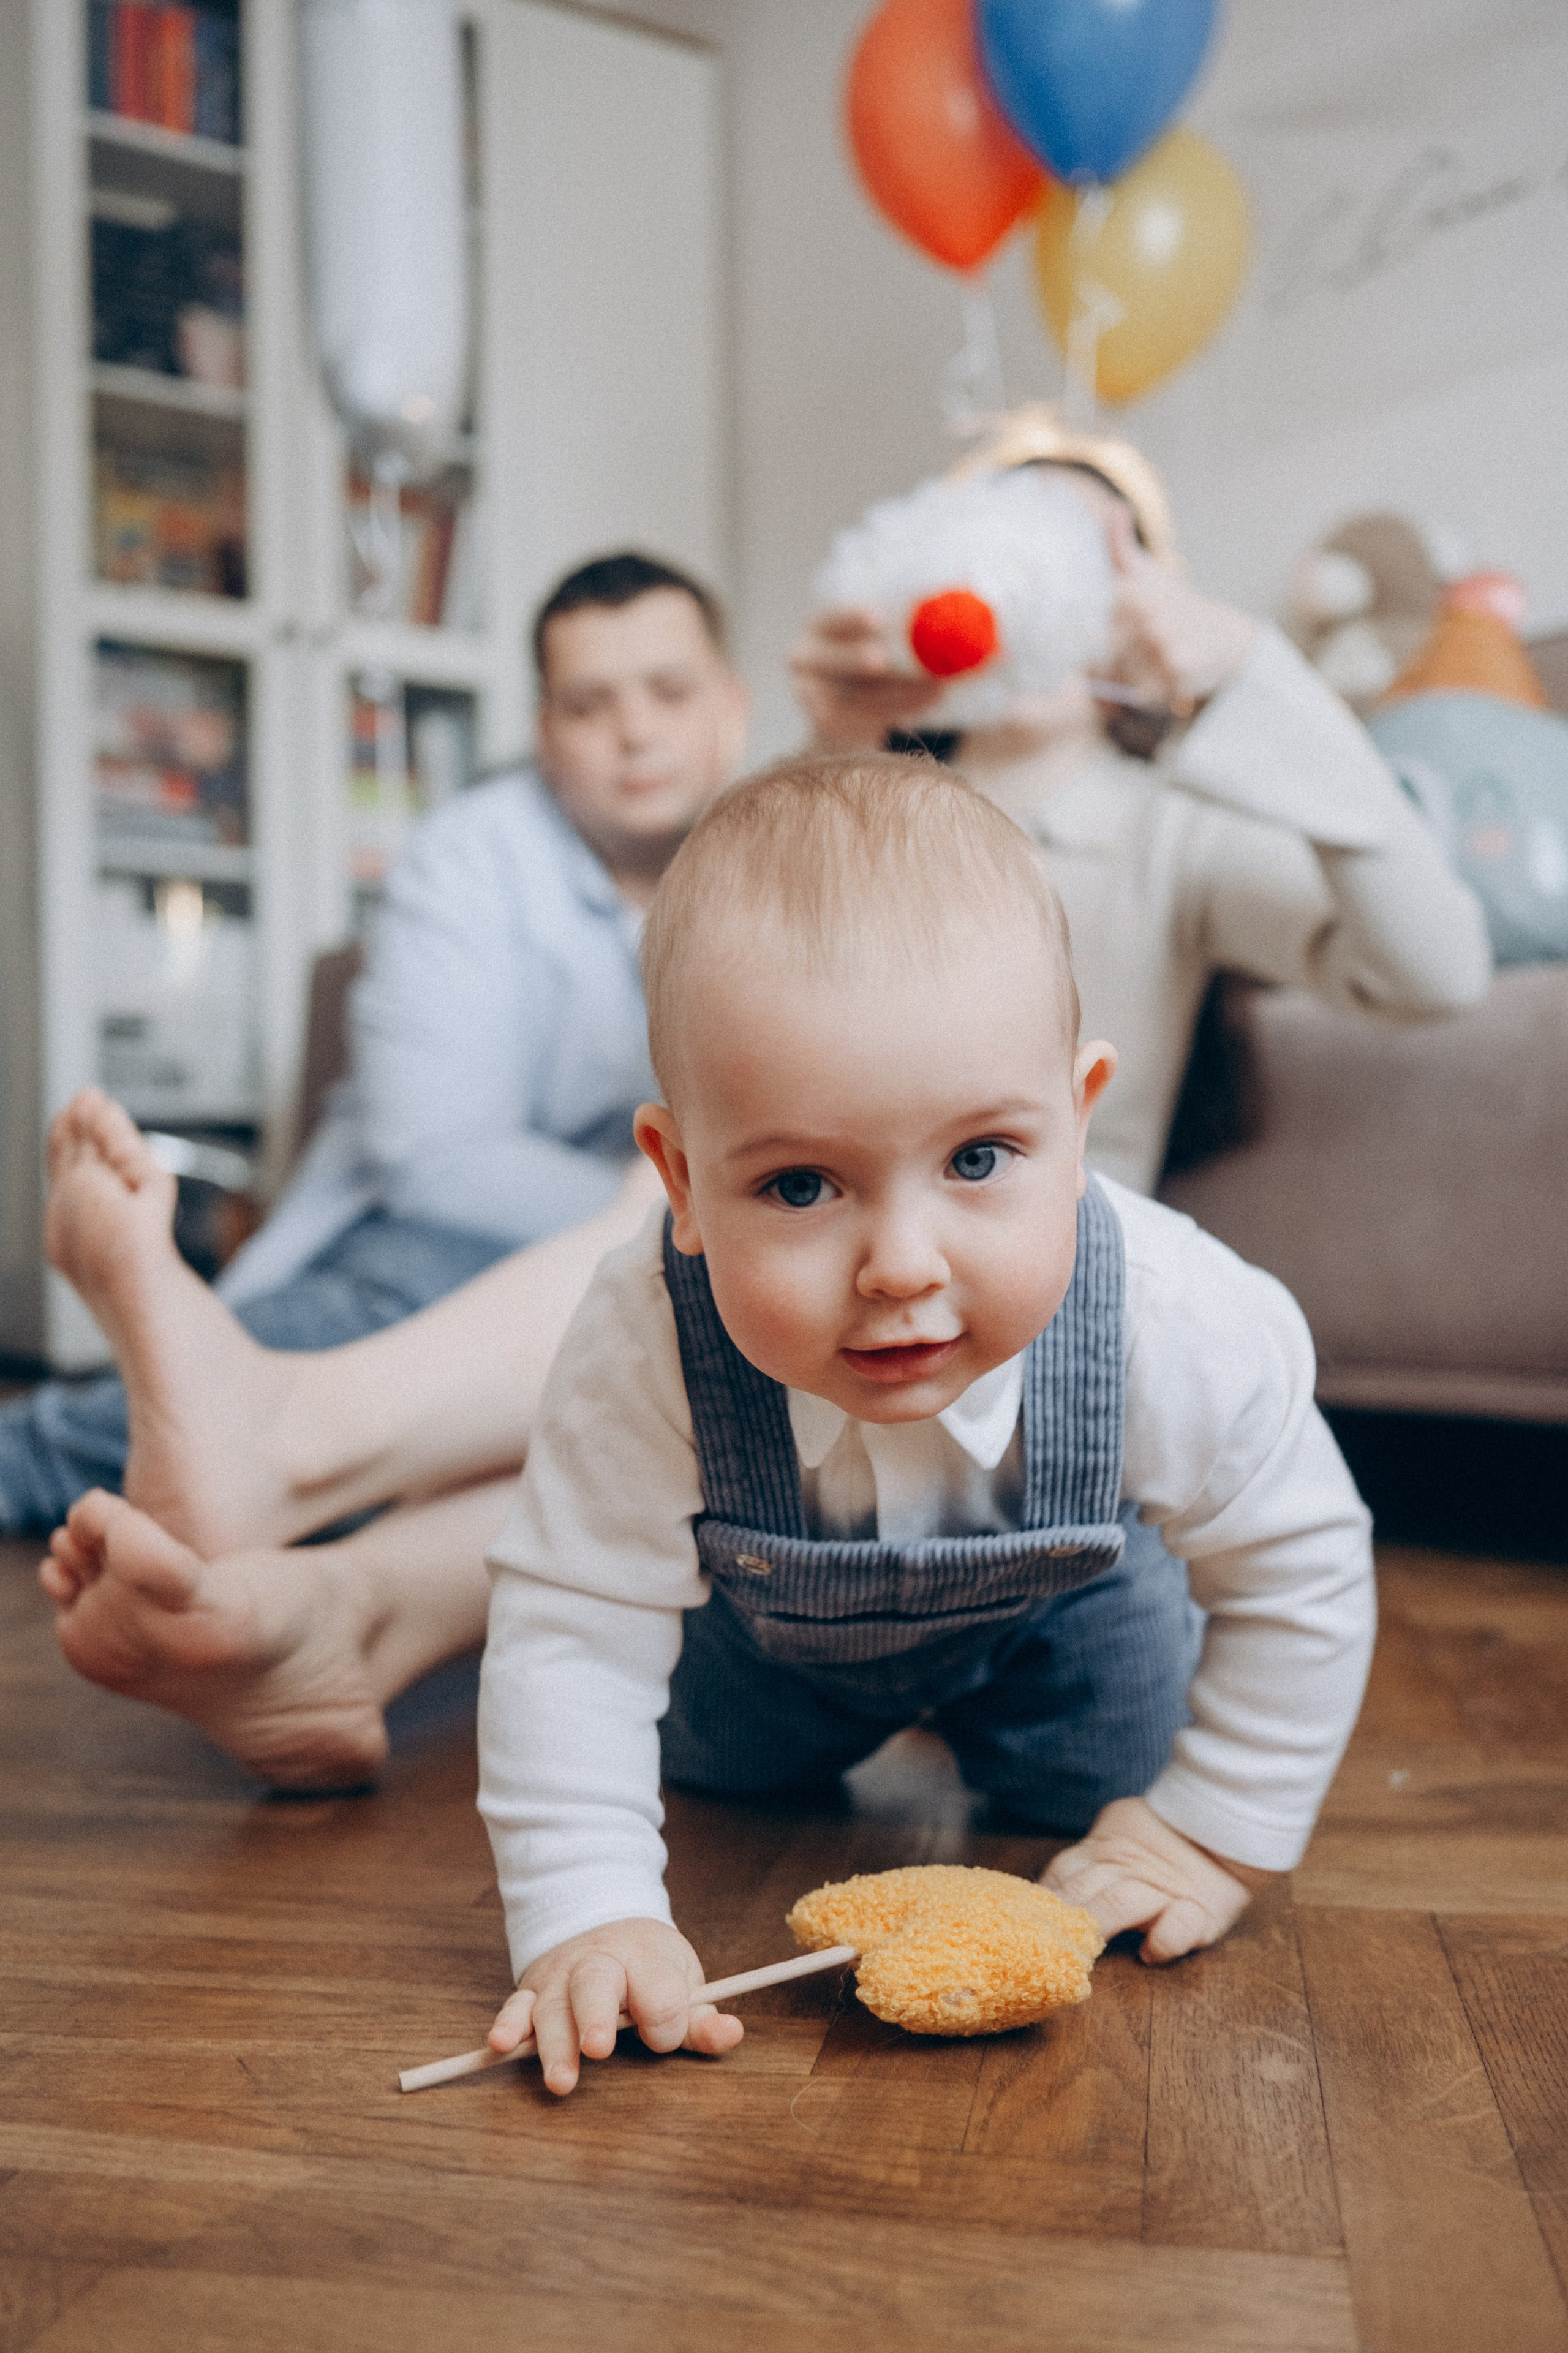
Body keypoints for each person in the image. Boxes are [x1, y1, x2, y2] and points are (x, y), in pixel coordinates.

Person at [454, 755, 1371, 2093]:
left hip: (1071, 1633)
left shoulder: (1173, 1313)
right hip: (758, 1649)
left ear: (1079, 1123)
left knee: (1111, 1776)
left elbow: (1299, 1568)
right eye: (801, 1183)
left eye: (979, 1161)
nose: (899, 1264)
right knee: (711, 1776)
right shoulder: (647, 1323)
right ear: (680, 1181)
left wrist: (1215, 1830)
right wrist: (586, 1908)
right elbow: (573, 1626)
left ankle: (1079, 1762)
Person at [0, 550, 748, 1534]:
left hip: (663, 1249)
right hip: (429, 1247)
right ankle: (48, 1450)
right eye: (589, 703)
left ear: (732, 708)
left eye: (669, 691)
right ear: (543, 733)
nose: (636, 730)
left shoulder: (772, 858)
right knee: (413, 1311)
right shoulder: (464, 860)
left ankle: (321, 1515)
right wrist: (712, 1217)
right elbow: (440, 1166)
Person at [791, 410, 1493, 1193]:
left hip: (1057, 1284)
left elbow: (1437, 975)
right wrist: (832, 758)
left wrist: (1250, 666)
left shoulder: (1176, 829)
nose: (1021, 596)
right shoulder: (862, 805)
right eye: (995, 551)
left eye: (1070, 566)